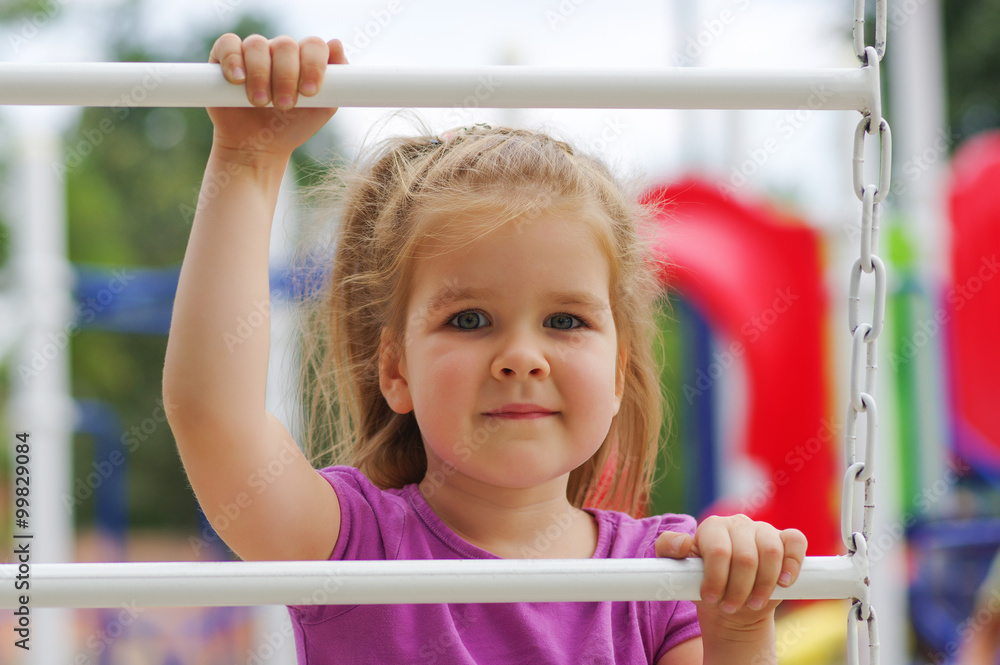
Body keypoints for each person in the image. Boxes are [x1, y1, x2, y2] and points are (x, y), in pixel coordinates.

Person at [162, 33, 808, 665]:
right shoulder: (353, 544)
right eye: (470, 319)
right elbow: (215, 419)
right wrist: (249, 161)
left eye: (564, 319)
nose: (521, 356)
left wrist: (741, 628)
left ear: (618, 373)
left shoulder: (661, 577)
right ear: (396, 370)